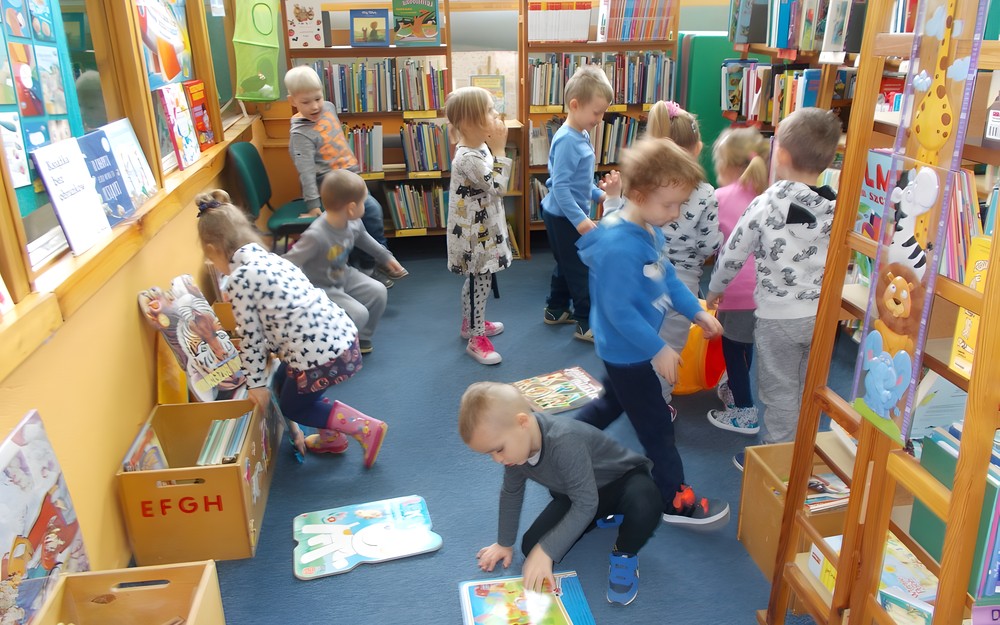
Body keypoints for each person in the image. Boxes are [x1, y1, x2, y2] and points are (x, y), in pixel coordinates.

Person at [576, 137, 729, 528]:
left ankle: (564, 439)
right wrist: (658, 348)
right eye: (669, 204)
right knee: (658, 427)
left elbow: (669, 279)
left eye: (680, 204)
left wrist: (696, 311)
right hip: (628, 351)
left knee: (613, 402)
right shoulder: (618, 247)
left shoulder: (648, 229)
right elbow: (618, 311)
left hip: (632, 348)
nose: (675, 214)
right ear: (639, 194)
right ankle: (672, 498)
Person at [196, 190, 388, 468]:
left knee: (294, 405)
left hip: (321, 355)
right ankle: (331, 437)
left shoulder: (239, 278)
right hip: (340, 338)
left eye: (211, 259)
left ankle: (364, 427)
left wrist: (257, 385)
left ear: (213, 250)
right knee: (288, 380)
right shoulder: (272, 259)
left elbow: (252, 338)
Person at [706, 108, 842, 462]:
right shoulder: (837, 205)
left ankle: (777, 458)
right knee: (809, 388)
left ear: (779, 154)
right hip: (823, 317)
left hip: (777, 320)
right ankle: (803, 450)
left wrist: (714, 289)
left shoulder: (764, 204)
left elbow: (733, 254)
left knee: (780, 391)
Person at [459, 382, 661, 606]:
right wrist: (505, 543)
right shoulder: (515, 454)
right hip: (578, 494)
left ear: (522, 423)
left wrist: (548, 550)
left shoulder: (564, 440)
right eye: (490, 454)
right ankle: (602, 515)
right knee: (531, 547)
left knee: (645, 503)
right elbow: (511, 492)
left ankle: (624, 553)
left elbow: (585, 503)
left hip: (623, 480)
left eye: (498, 449)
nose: (497, 459)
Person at [601, 100, 722, 417]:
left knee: (649, 337)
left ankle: (638, 392)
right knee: (668, 342)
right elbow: (709, 243)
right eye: (670, 206)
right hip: (680, 274)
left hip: (655, 276)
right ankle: (657, 400)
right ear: (696, 149)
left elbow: (620, 219)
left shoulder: (644, 191)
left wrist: (611, 201)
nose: (675, 214)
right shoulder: (706, 193)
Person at [284, 65, 393, 285]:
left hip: (351, 177)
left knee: (370, 212)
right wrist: (313, 203)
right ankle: (370, 265)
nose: (314, 106)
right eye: (306, 102)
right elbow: (305, 172)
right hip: (331, 184)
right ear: (292, 101)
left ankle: (375, 261)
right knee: (369, 211)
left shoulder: (329, 108)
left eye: (318, 98)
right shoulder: (300, 134)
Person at [284, 169, 407, 356]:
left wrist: (386, 257)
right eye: (363, 202)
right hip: (321, 286)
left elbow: (364, 239)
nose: (365, 206)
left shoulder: (353, 221)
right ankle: (335, 348)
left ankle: (362, 338)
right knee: (359, 313)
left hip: (343, 273)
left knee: (378, 291)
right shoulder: (316, 235)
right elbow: (289, 262)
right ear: (351, 207)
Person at [705, 127, 771, 435]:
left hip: (735, 291)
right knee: (745, 345)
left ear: (729, 165)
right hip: (765, 293)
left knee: (733, 347)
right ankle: (736, 388)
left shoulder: (720, 198)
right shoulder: (771, 195)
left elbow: (707, 243)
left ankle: (745, 412)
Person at [541, 65, 613, 342]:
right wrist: (581, 221)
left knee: (565, 265)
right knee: (580, 269)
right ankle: (586, 323)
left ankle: (556, 309)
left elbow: (578, 182)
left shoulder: (580, 133)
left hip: (564, 214)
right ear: (575, 104)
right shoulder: (568, 141)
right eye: (597, 112)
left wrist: (598, 194)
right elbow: (560, 188)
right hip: (563, 217)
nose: (601, 117)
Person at [444, 86, 512, 365]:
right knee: (477, 280)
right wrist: (500, 148)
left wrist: (491, 148)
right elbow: (499, 186)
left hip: (482, 229)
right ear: (470, 121)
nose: (495, 115)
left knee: (478, 280)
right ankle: (475, 337)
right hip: (473, 236)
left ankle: (471, 324)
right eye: (489, 110)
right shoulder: (468, 157)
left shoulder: (477, 147)